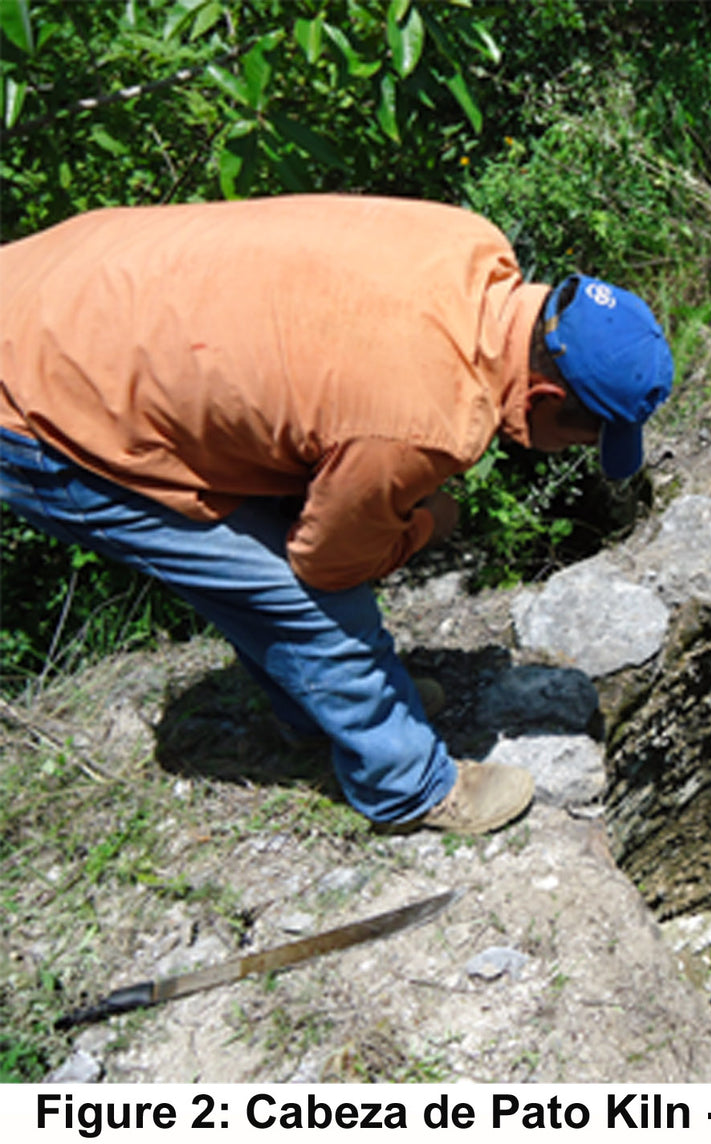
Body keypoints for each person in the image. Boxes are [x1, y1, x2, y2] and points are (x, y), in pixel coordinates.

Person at [0, 194, 673, 834]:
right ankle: (407, 785)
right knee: (291, 594)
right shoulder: (426, 418)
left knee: (253, 558)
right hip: (41, 400)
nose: (578, 453)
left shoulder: (472, 244)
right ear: (547, 397)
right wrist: (427, 521)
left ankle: (314, 716)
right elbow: (324, 564)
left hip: (71, 279)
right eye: (587, 437)